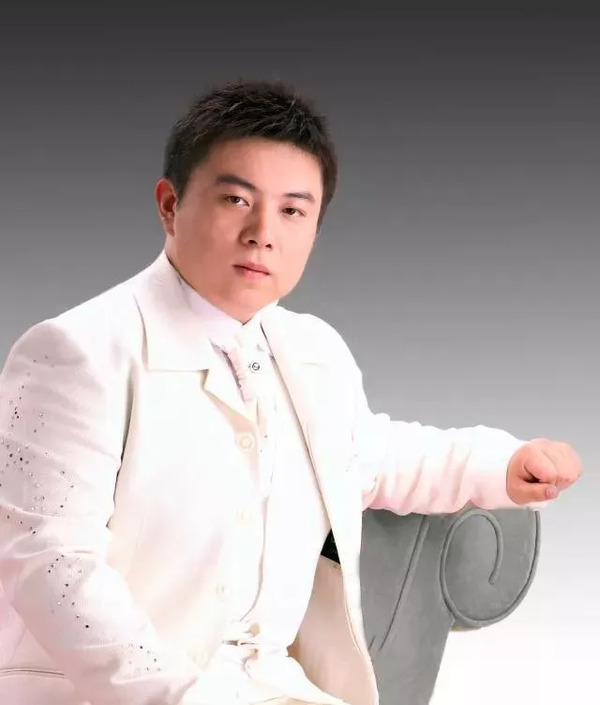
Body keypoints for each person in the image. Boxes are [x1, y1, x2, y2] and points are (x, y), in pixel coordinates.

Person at [0, 80, 582, 705]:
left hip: (273, 686)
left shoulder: (312, 351)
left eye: (293, 211)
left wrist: (504, 463)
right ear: (170, 205)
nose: (262, 233)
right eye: (236, 199)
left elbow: (372, 456)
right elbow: (52, 565)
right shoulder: (77, 353)